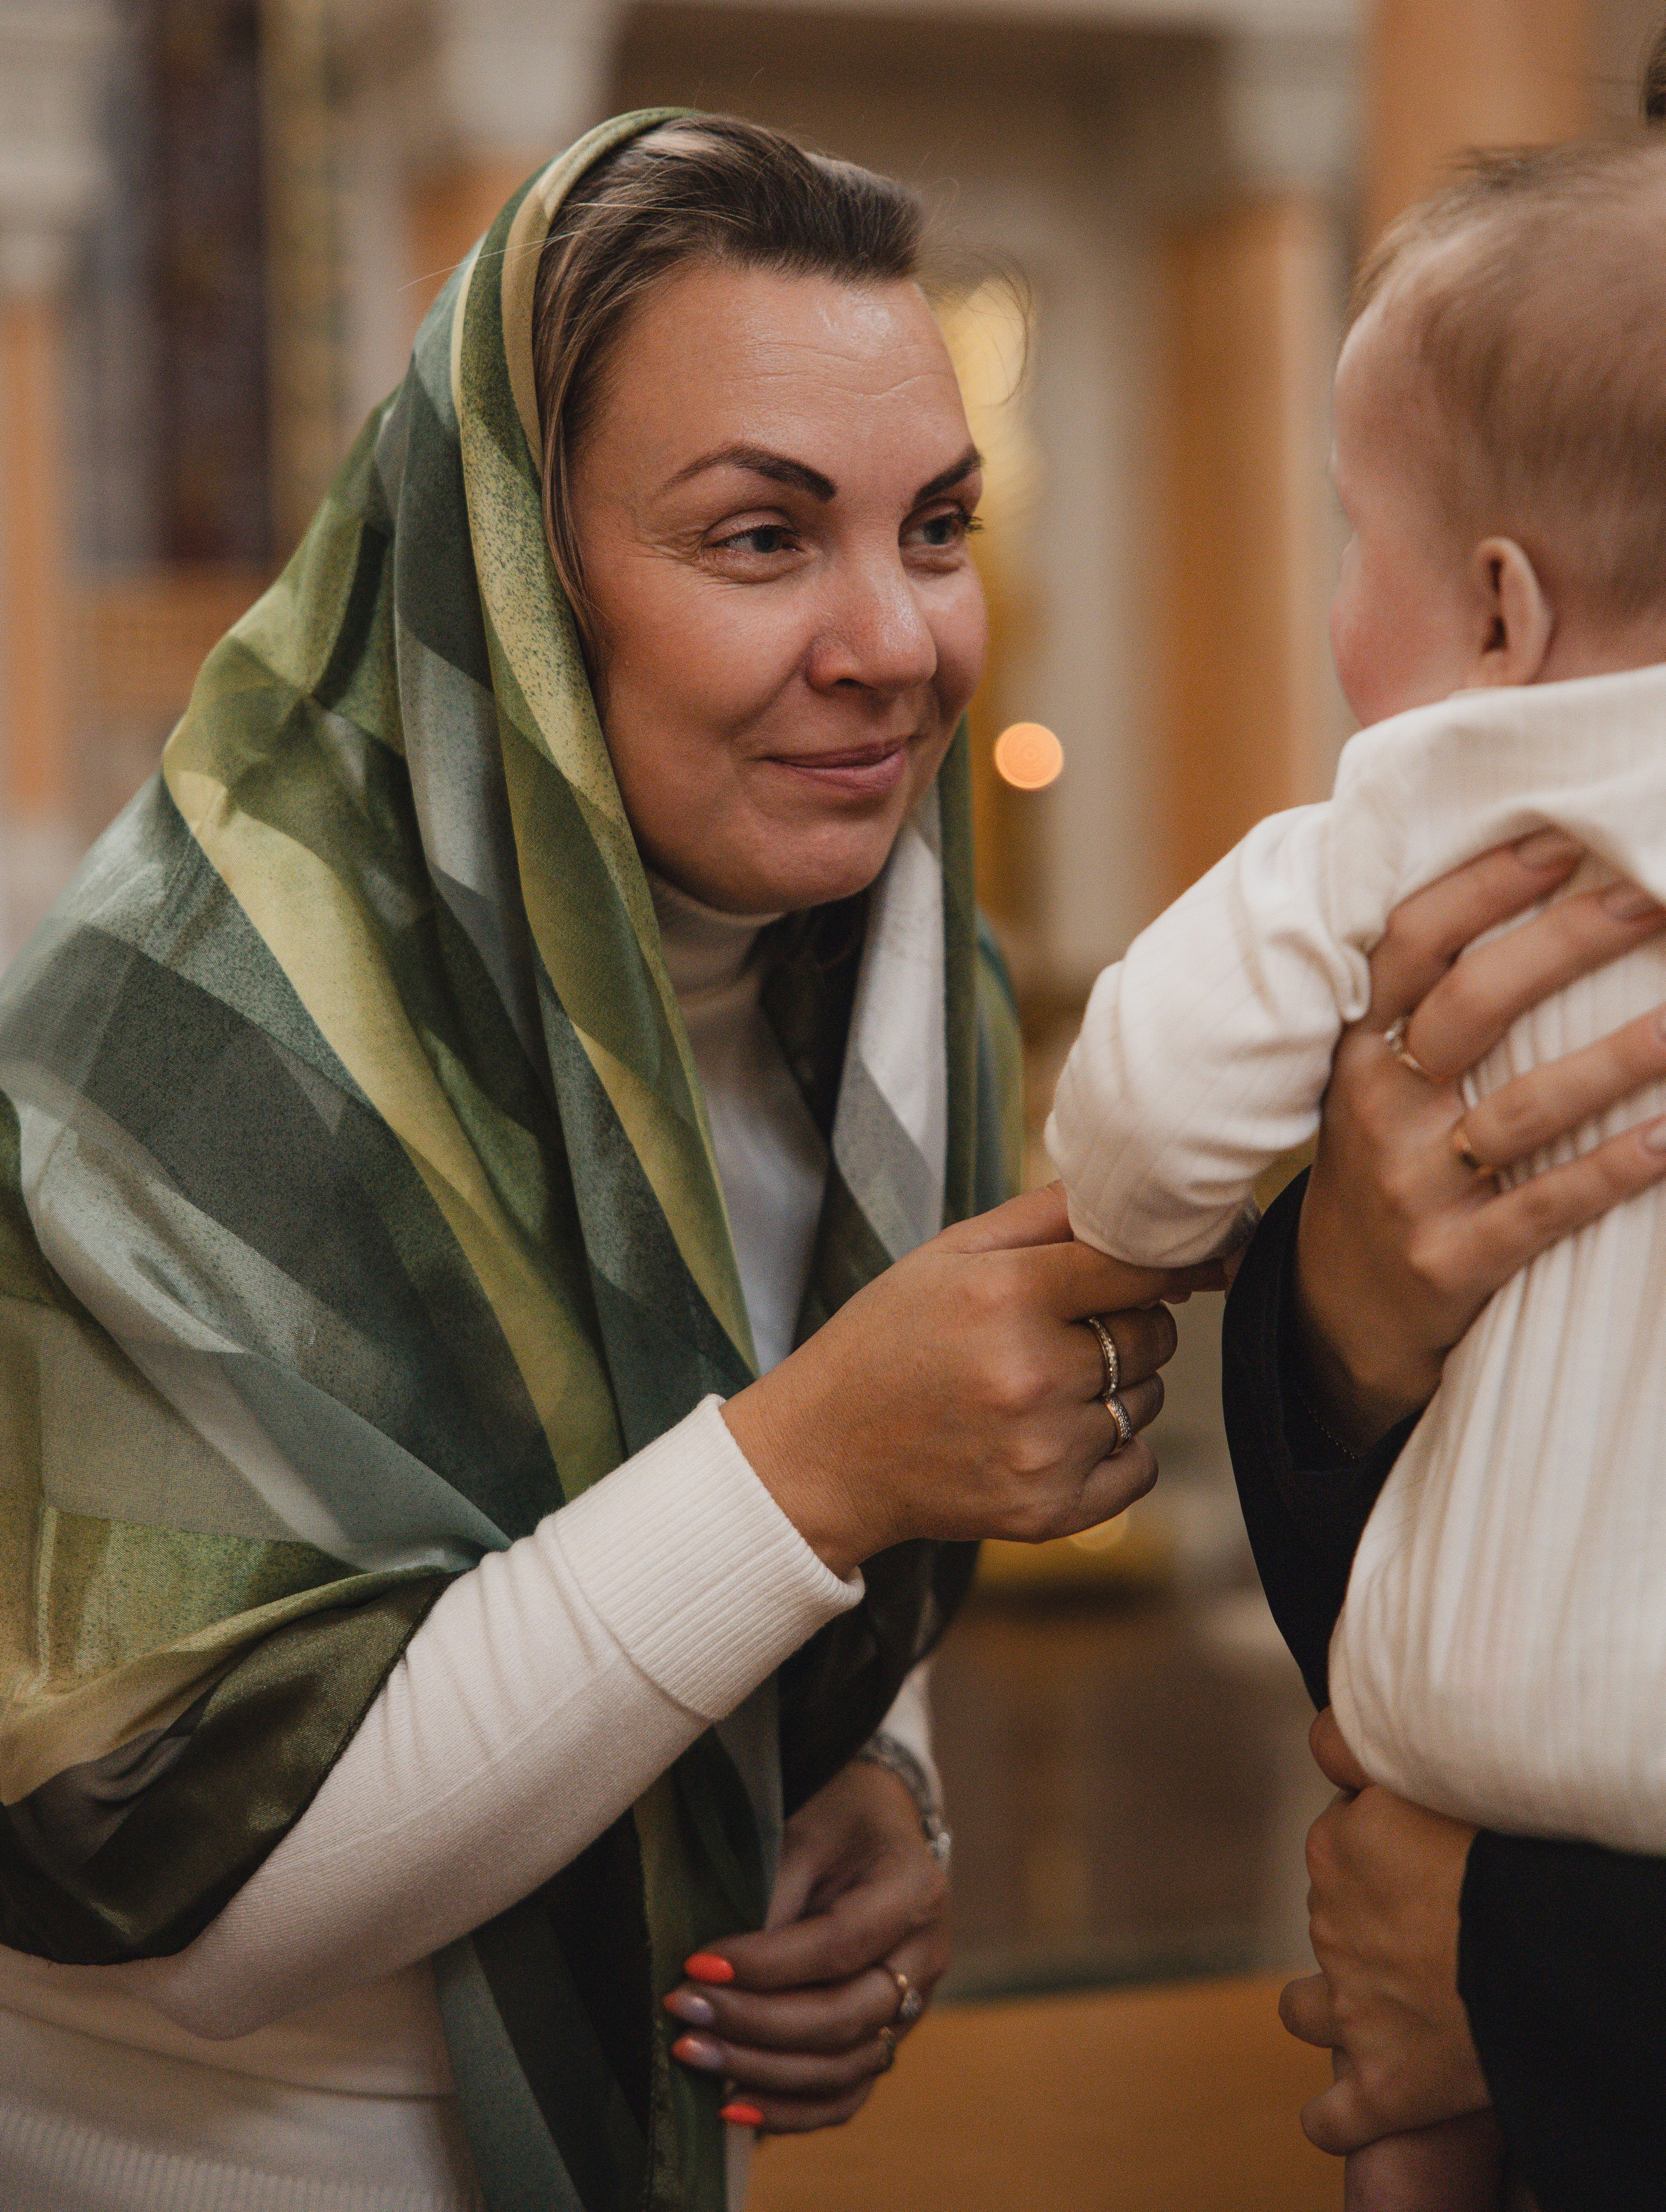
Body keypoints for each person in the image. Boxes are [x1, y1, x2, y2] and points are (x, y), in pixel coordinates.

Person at [0, 113, 1191, 2212]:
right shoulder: (183, 1036)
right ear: (515, 579)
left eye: (934, 527)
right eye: (761, 538)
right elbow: (186, 1877)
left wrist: (878, 1791)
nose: (899, 641)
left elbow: (779, 1601)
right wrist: (822, 1455)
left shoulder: (913, 990)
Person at [1049, 134, 1666, 2208]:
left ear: (1500, 603)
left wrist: (1160, 1222)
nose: (1334, 611)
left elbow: (1139, 1123)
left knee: (1411, 2126)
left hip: (1471, 1754)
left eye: (1348, 543)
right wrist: (1348, 1307)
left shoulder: (1409, 823)